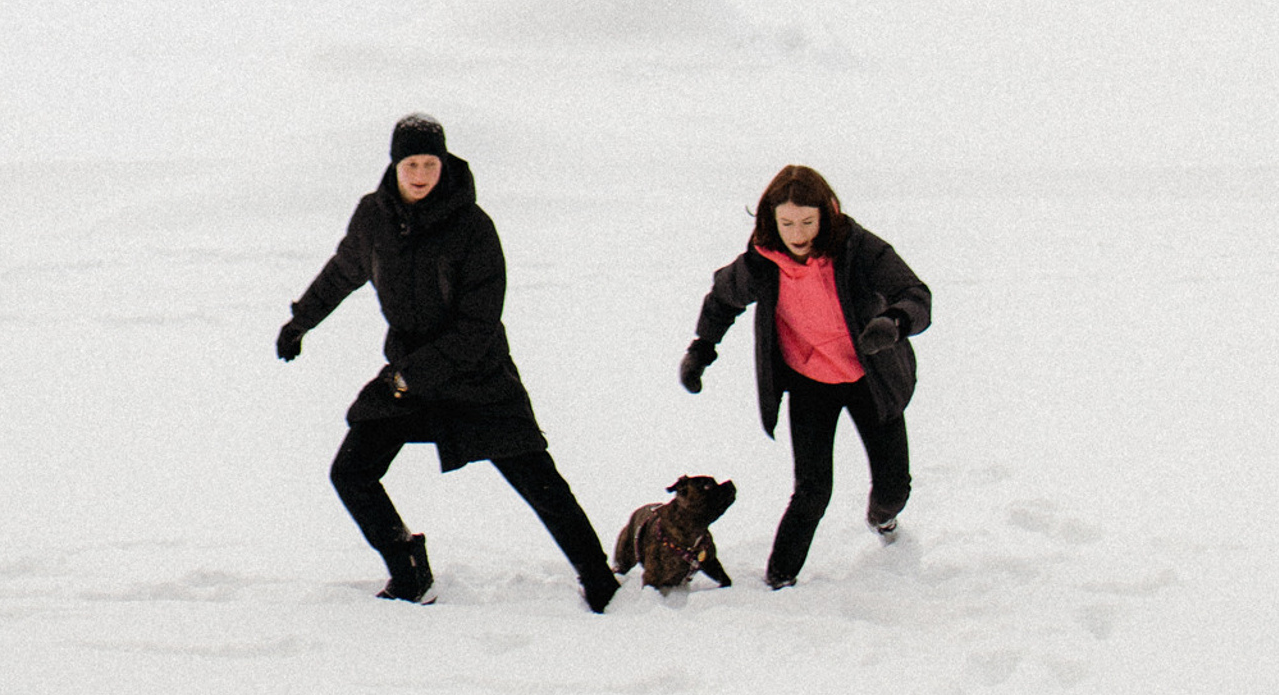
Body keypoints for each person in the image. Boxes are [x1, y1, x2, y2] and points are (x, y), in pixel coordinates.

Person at [277, 113, 619, 611]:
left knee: (538, 479)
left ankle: (598, 579)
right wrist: (301, 321)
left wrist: (412, 374)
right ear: (395, 165)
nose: (420, 174)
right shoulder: (374, 217)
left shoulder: (473, 227)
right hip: (407, 377)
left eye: (429, 163)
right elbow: (343, 270)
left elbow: (478, 323)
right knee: (351, 471)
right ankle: (408, 570)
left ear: (444, 163)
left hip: (476, 375)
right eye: (411, 163)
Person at [677, 164, 931, 588]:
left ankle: (883, 520)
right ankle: (779, 580)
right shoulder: (762, 262)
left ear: (827, 214)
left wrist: (895, 322)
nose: (797, 234)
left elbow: (915, 293)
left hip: (870, 377)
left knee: (893, 489)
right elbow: (723, 298)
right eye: (787, 223)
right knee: (811, 492)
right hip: (810, 382)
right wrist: (702, 348)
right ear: (771, 221)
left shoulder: (858, 249)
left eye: (808, 222)